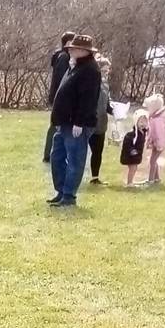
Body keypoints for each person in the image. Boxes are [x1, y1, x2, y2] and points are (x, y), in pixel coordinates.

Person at [46, 34, 102, 207]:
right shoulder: (75, 66)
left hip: (76, 124)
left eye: (74, 48)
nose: (70, 50)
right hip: (64, 122)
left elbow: (88, 99)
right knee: (57, 157)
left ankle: (69, 196)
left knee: (75, 160)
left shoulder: (90, 70)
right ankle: (61, 191)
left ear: (84, 51)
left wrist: (79, 122)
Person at [43, 31, 77, 163]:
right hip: (59, 96)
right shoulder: (63, 57)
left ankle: (52, 153)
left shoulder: (63, 56)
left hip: (58, 96)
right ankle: (49, 154)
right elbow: (61, 79)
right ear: (68, 43)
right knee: (55, 125)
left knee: (56, 124)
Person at [88, 56, 113, 185]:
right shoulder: (89, 83)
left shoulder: (105, 85)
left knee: (98, 152)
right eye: (103, 71)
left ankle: (95, 177)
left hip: (101, 123)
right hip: (89, 122)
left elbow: (106, 104)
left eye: (107, 71)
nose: (105, 73)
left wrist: (115, 111)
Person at [142, 93, 165, 186]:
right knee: (153, 159)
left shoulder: (158, 119)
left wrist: (158, 144)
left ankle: (150, 180)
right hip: (156, 142)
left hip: (159, 143)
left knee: (153, 161)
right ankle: (157, 178)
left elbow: (159, 133)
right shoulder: (155, 117)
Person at [120, 111, 148, 187]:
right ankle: (129, 183)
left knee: (134, 168)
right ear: (136, 122)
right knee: (133, 168)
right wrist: (132, 150)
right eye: (141, 122)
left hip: (136, 155)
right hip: (130, 155)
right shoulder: (132, 134)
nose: (143, 124)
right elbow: (127, 143)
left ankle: (130, 181)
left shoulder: (143, 132)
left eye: (145, 121)